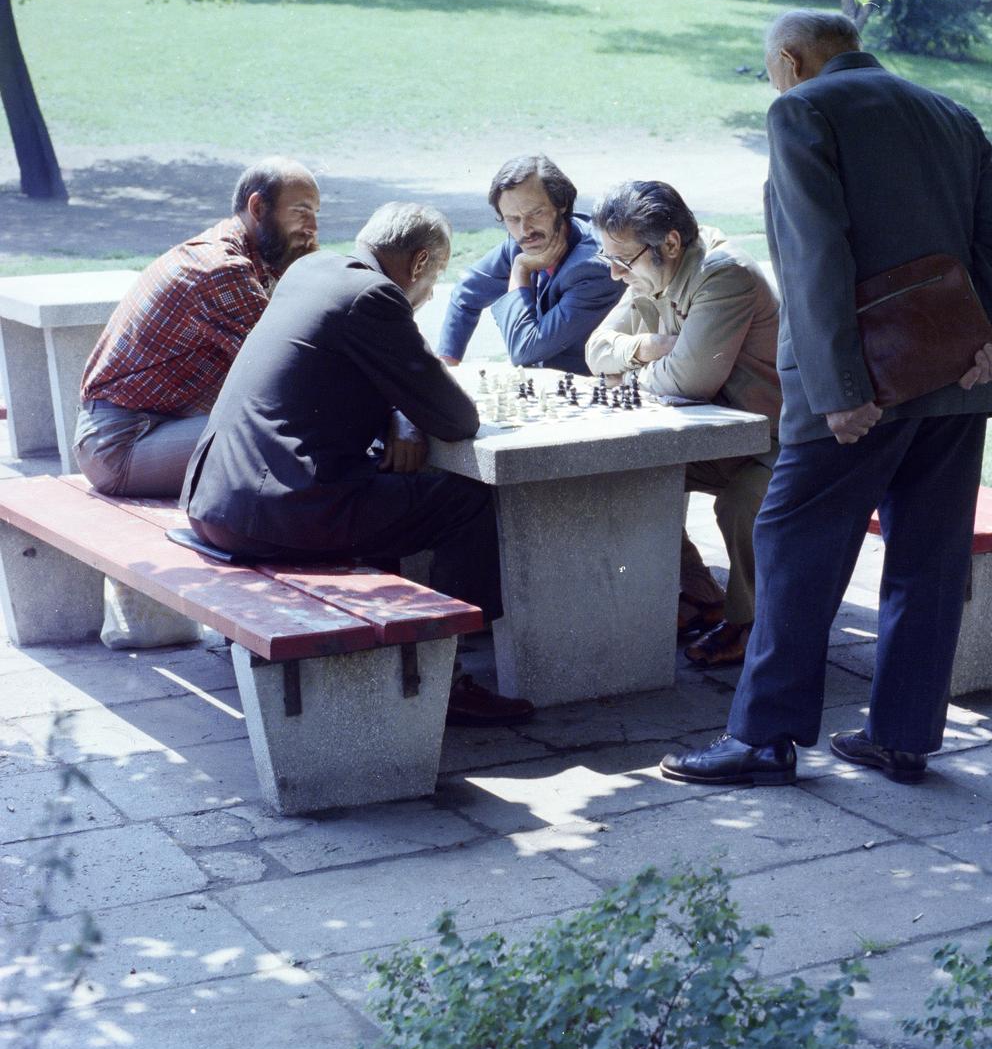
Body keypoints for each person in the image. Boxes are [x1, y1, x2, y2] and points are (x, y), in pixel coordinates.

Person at [660, 10, 992, 789]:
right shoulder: (949, 112)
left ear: (790, 61)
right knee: (927, 563)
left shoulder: (802, 110)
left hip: (857, 389)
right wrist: (987, 342)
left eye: (770, 69)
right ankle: (901, 738)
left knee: (793, 549)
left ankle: (763, 740)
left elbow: (813, 252)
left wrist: (836, 389)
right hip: (956, 378)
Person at [183, 201, 533, 727]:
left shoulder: (312, 269)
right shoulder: (375, 296)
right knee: (468, 501)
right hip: (278, 513)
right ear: (417, 265)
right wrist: (412, 414)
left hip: (216, 498)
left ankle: (422, 655)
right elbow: (456, 417)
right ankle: (451, 677)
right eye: (434, 275)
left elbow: (363, 375)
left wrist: (402, 416)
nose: (432, 292)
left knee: (392, 489)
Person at [586, 181, 781, 659]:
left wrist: (628, 372)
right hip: (716, 441)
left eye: (622, 261)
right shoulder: (650, 269)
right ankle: (699, 595)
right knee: (615, 474)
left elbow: (687, 381)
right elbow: (595, 351)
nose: (614, 274)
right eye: (606, 258)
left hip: (776, 444)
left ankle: (753, 624)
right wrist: (648, 348)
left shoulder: (722, 273)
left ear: (670, 243)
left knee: (740, 505)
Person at [75, 157, 320, 500]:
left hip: (154, 428)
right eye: (302, 211)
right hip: (123, 444)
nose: (313, 228)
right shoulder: (221, 269)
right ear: (258, 206)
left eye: (315, 215)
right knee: (291, 428)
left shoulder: (248, 260)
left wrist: (306, 268)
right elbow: (296, 365)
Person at [437, 154, 623, 375]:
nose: (525, 230)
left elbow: (525, 349)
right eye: (513, 219)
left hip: (592, 388)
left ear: (561, 204)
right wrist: (446, 368)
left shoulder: (594, 267)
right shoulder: (519, 245)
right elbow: (465, 294)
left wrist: (520, 271)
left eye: (536, 213)